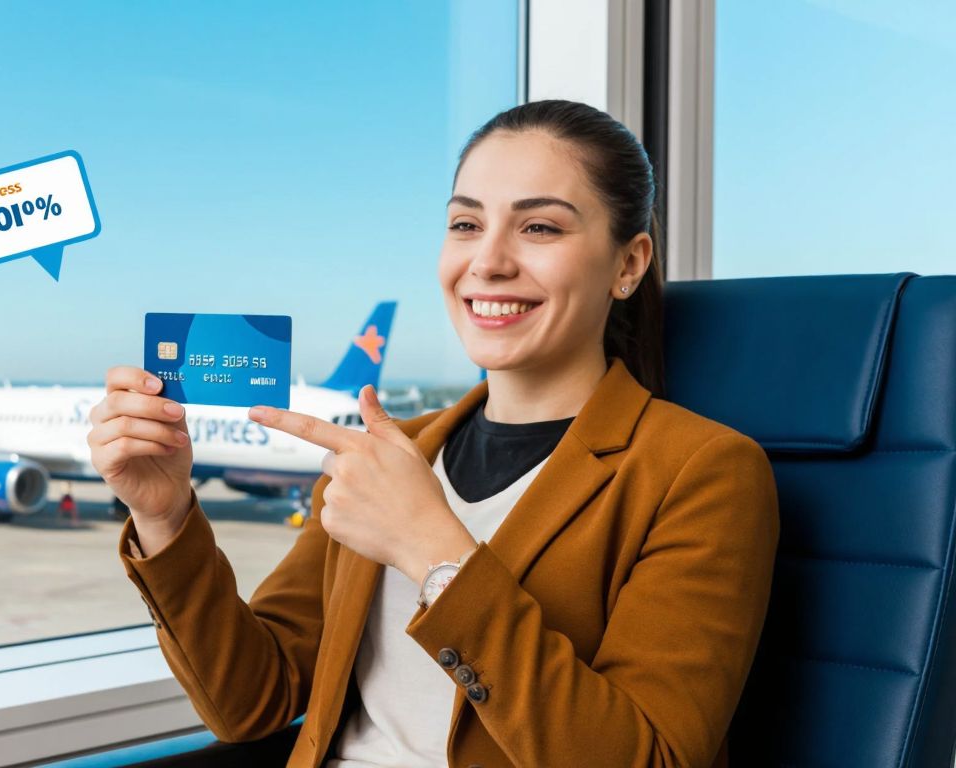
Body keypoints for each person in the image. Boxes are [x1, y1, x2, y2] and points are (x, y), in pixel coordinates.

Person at [85, 99, 779, 768]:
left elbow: (644, 758)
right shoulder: (385, 453)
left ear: (628, 264)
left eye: (539, 228)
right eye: (465, 225)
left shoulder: (704, 473)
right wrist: (164, 515)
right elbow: (248, 702)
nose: (489, 261)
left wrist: (435, 552)